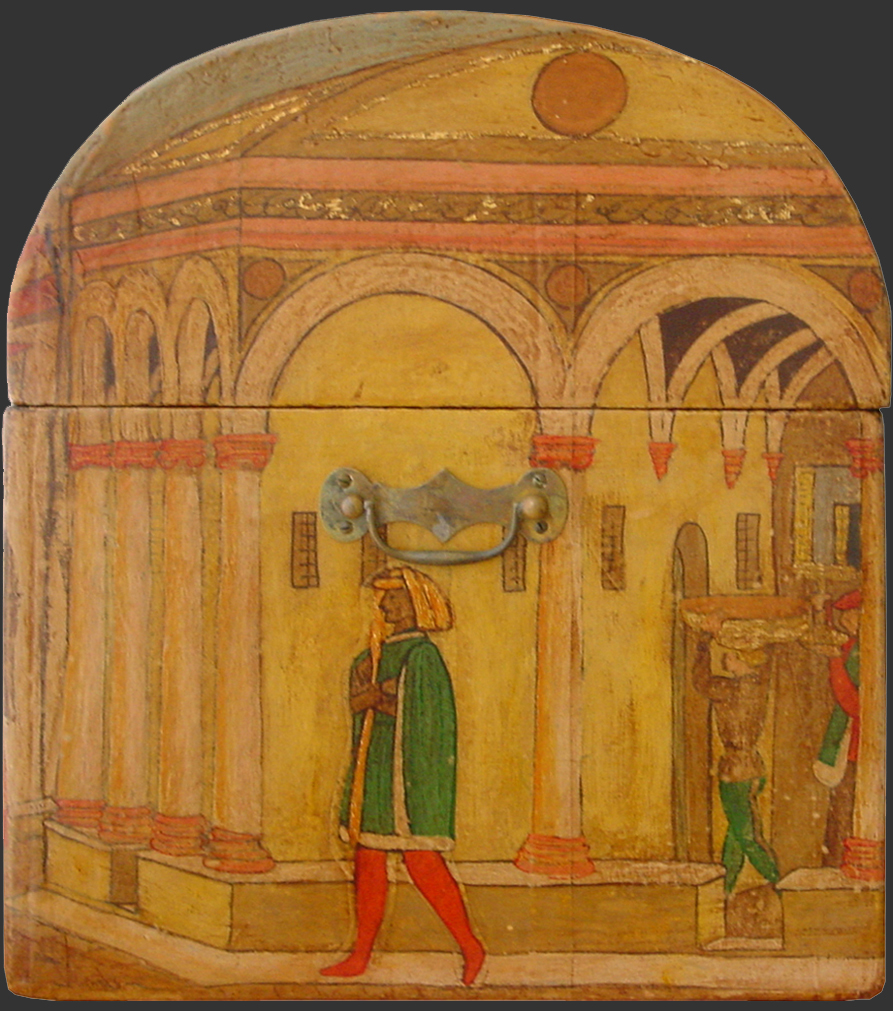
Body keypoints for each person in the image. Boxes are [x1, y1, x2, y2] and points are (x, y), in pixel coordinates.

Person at [321, 566, 485, 985]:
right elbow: (358, 702)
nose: (385, 604)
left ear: (415, 604)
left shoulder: (422, 655)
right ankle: (361, 954)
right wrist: (374, 693)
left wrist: (380, 696)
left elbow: (426, 715)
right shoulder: (374, 653)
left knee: (421, 860)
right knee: (368, 858)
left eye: (394, 597)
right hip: (375, 765)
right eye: (384, 597)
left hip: (409, 773)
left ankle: (470, 947)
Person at [693, 619, 780, 894]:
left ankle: (777, 882)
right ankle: (728, 886)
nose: (726, 659)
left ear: (743, 659)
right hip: (752, 769)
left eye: (731, 655)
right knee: (737, 834)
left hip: (736, 772)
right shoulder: (757, 685)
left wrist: (704, 642)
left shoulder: (730, 689)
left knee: (747, 837)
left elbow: (701, 681)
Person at [812, 589, 861, 866]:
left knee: (849, 810)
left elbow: (851, 701)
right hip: (849, 742)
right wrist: (823, 611)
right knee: (841, 810)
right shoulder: (851, 645)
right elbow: (827, 636)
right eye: (847, 617)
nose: (849, 623)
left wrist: (833, 660)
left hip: (859, 744)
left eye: (853, 617)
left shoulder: (865, 651)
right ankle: (836, 864)